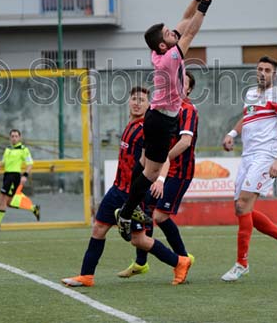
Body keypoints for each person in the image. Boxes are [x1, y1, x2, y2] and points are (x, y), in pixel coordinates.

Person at [62, 86, 190, 287]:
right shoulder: (130, 125)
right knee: (98, 228)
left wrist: (160, 179)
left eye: (142, 100)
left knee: (139, 240)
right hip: (117, 189)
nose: (137, 103)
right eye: (134, 99)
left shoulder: (148, 129)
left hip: (133, 194)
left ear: (149, 105)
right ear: (129, 102)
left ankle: (180, 262)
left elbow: (163, 158)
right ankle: (86, 276)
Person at [115, 0, 213, 244]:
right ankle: (126, 213)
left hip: (156, 117)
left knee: (144, 162)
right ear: (162, 45)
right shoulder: (170, 58)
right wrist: (205, 5)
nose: (173, 32)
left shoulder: (160, 49)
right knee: (151, 172)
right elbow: (191, 31)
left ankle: (130, 205)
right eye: (168, 33)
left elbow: (184, 19)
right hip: (161, 121)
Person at [220, 56, 277, 282]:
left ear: (275, 74)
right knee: (240, 208)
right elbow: (247, 116)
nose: (262, 73)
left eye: (267, 70)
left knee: (243, 205)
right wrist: (232, 134)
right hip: (248, 156)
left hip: (265, 156)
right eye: (260, 69)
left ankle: (241, 264)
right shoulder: (251, 94)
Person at [118, 71, 198, 278]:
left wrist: (162, 162)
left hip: (178, 171)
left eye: (184, 83)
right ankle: (140, 262)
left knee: (160, 216)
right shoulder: (165, 107)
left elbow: (185, 142)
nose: (178, 86)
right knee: (144, 209)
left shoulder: (188, 109)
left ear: (189, 89)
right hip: (159, 168)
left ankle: (182, 259)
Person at [0, 129, 40, 231]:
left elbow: (30, 164)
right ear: (10, 138)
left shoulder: (23, 149)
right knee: (8, 202)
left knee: (2, 200)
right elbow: (4, 161)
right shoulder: (8, 149)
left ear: (20, 138)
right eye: (12, 136)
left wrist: (25, 175)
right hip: (7, 176)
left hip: (14, 177)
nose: (14, 138)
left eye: (16, 136)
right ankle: (33, 208)